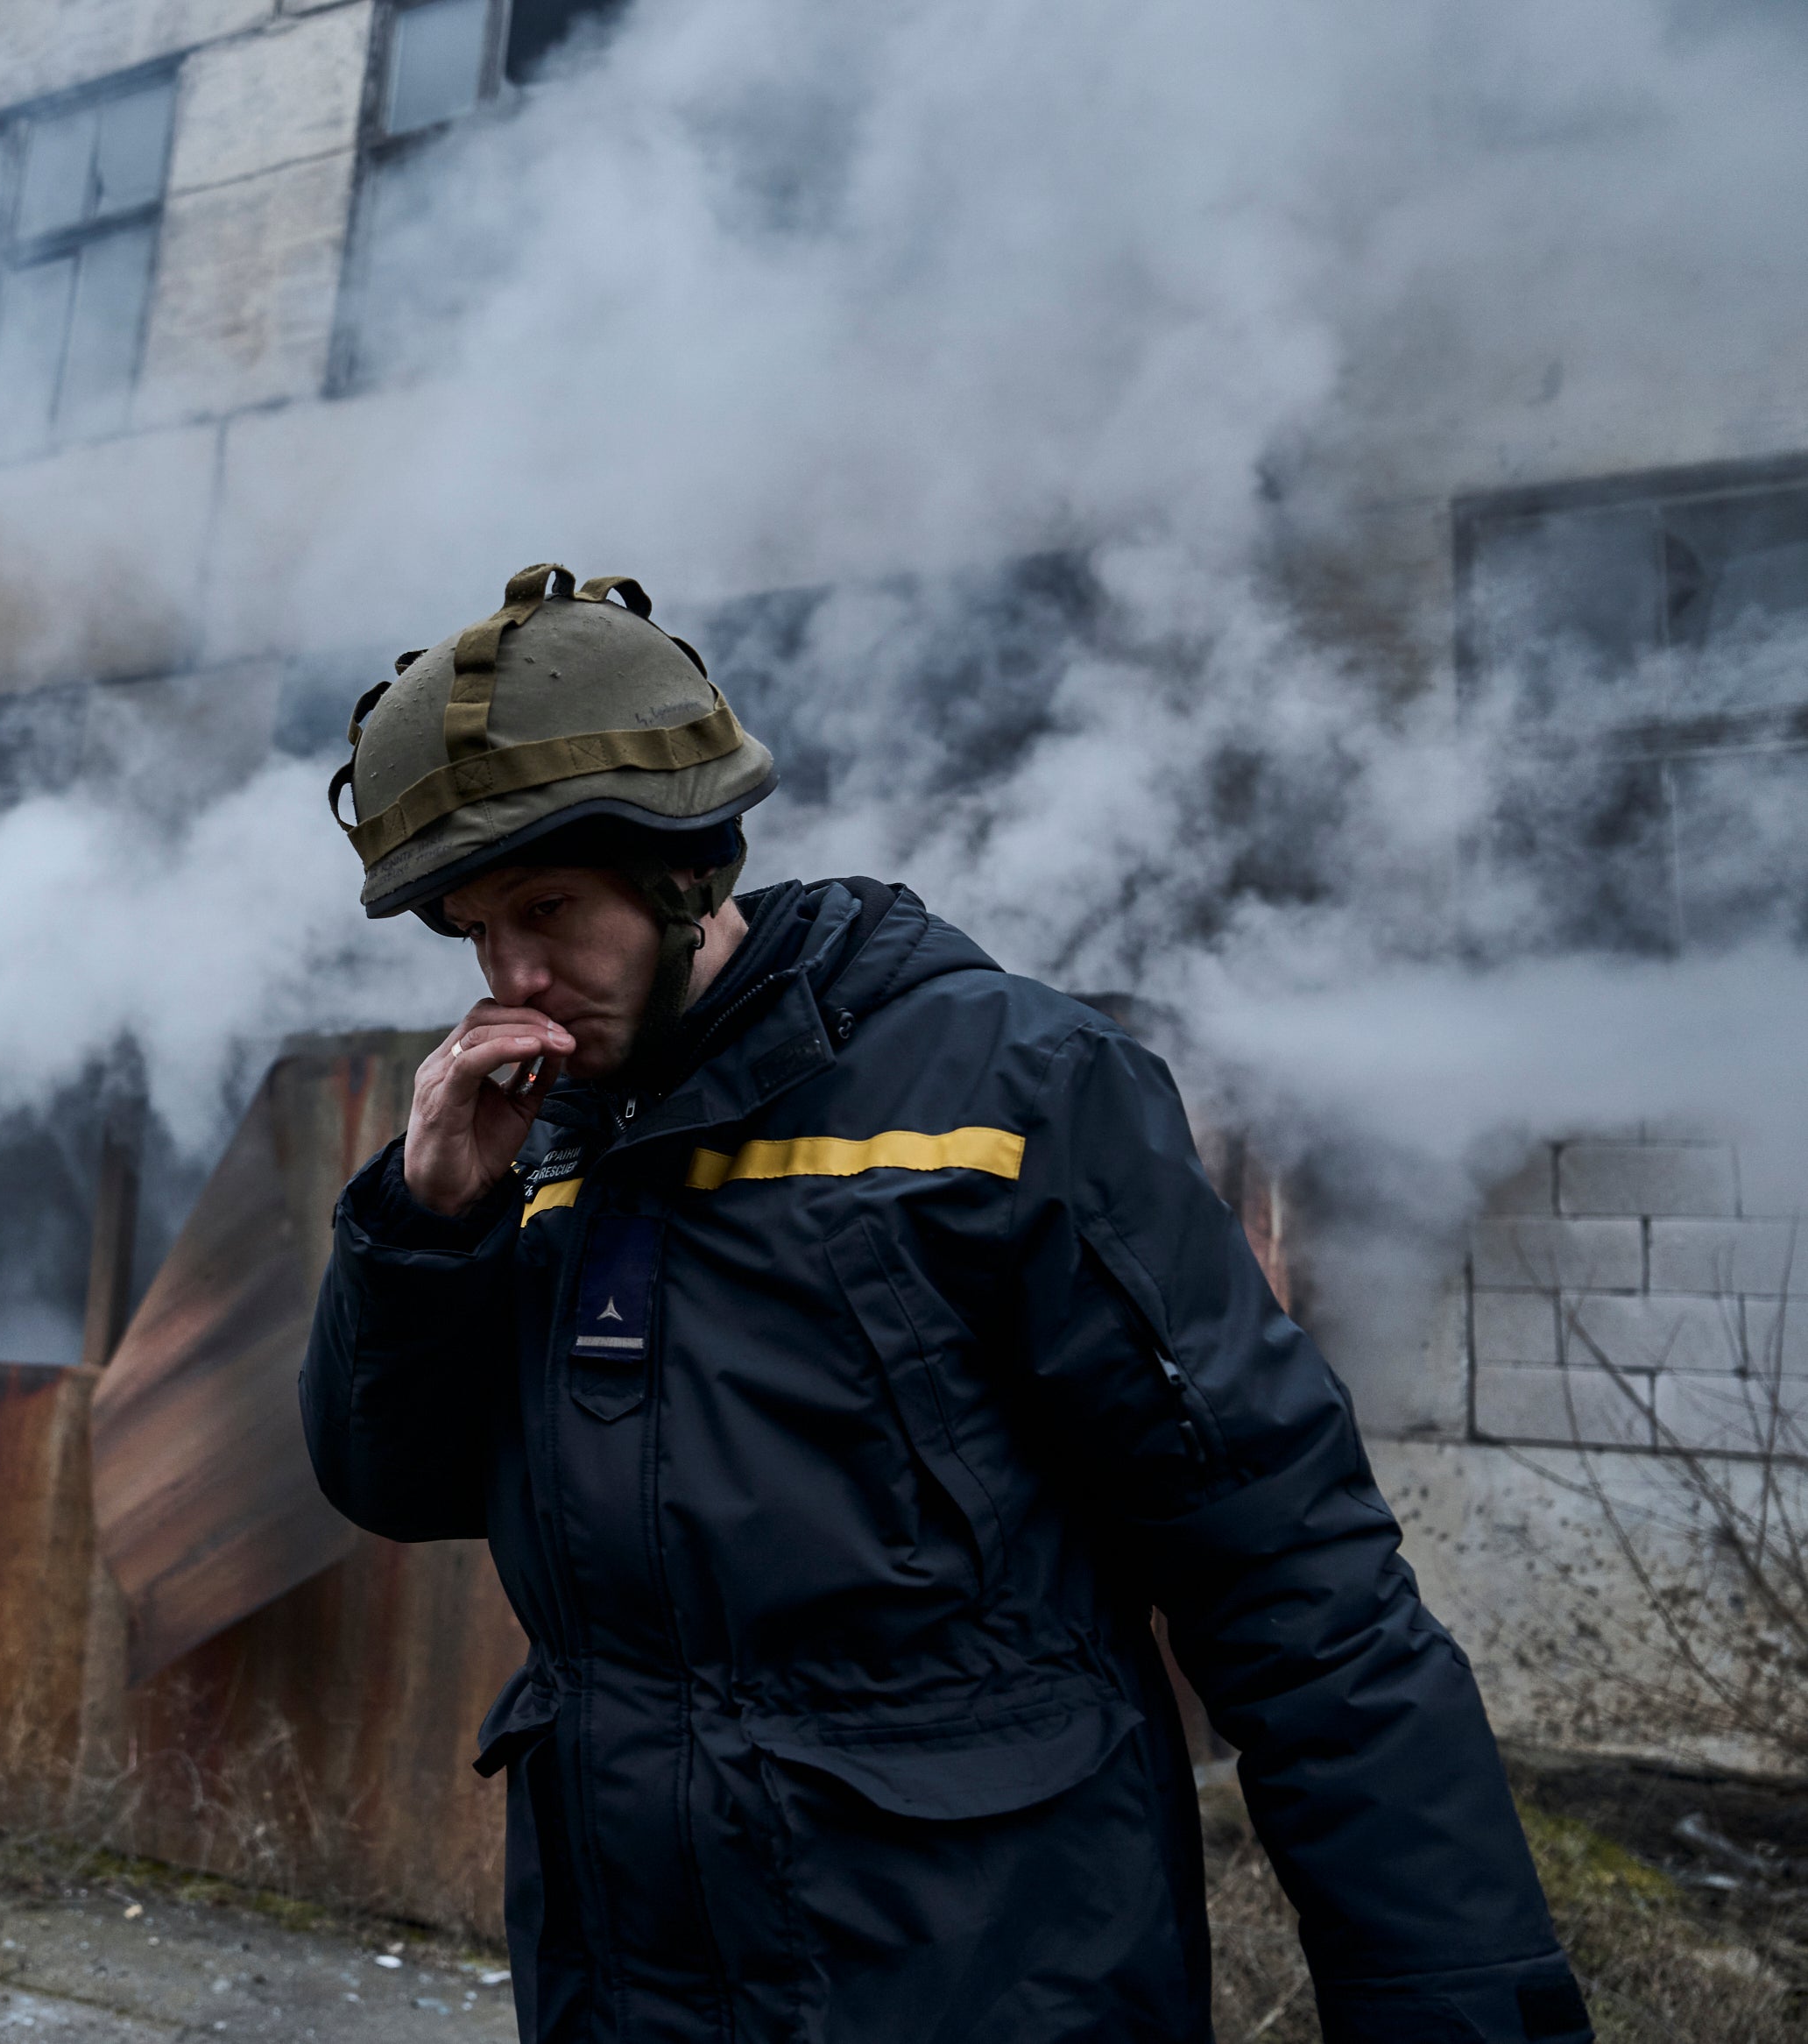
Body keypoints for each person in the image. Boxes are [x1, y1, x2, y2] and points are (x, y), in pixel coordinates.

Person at [299, 564, 1586, 2043]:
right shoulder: (544, 1138)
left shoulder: (1008, 1094)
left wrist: (1457, 2010)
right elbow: (390, 1481)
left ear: (685, 868)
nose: (513, 975)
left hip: (982, 1983)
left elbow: (1297, 1585)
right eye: (472, 928)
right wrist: (422, 1220)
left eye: (549, 907)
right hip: (629, 1992)